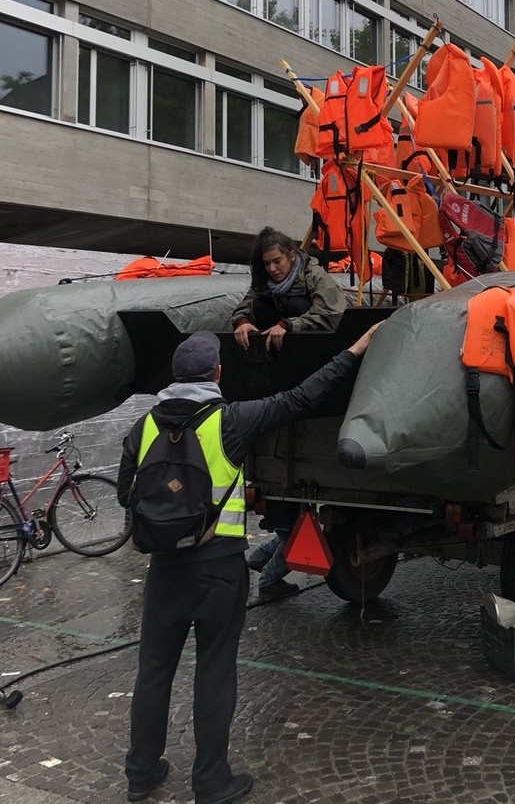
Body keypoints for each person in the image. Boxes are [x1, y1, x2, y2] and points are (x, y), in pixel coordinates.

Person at [117, 323, 380, 804]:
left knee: (153, 670)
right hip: (218, 567)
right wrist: (355, 349)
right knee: (215, 670)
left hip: (164, 571)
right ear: (217, 373)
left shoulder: (144, 426)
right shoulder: (230, 420)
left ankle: (141, 773)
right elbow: (301, 398)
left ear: (174, 377)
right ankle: (211, 781)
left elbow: (125, 495)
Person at [231, 226, 348, 352]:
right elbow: (244, 306)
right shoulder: (263, 280)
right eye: (267, 263)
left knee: (297, 304)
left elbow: (330, 316)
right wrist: (242, 323)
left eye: (277, 261)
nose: (272, 269)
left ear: (291, 256)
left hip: (311, 345)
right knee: (260, 305)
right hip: (271, 344)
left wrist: (288, 325)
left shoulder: (314, 275)